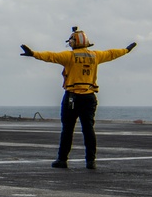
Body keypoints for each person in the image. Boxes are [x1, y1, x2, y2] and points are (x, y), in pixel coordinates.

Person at [20, 26, 136, 169]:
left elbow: (51, 56)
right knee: (88, 129)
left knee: (68, 129)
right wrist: (126, 50)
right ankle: (91, 161)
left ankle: (62, 159)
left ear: (73, 42)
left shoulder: (69, 56)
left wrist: (33, 53)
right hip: (89, 97)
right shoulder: (95, 55)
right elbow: (112, 53)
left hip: (72, 96)